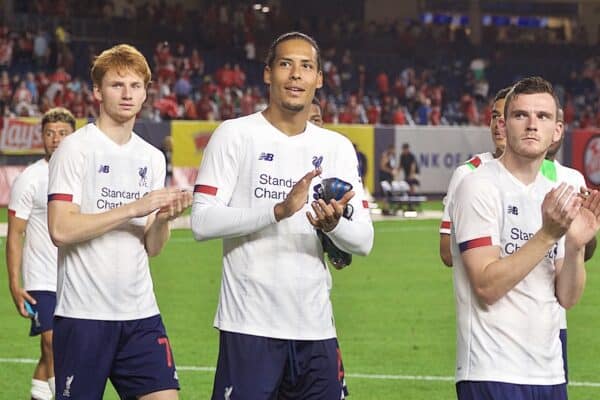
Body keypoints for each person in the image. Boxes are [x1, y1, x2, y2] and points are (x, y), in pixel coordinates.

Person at [191, 32, 374, 400]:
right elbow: (201, 222)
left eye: (306, 66)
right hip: (249, 327)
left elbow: (364, 241)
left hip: (316, 329)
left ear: (319, 79)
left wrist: (335, 225)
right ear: (268, 73)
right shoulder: (235, 135)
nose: (296, 75)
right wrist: (278, 211)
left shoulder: (336, 147)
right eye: (286, 64)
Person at [47, 44, 192, 400]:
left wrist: (161, 220)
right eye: (116, 85)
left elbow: (153, 248)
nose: (127, 93)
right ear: (97, 91)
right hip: (84, 315)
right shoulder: (75, 149)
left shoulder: (152, 157)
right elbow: (60, 229)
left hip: (141, 313)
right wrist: (133, 208)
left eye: (135, 85)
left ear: (145, 92)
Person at [451, 76, 600, 400]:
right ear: (504, 125)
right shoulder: (477, 186)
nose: (532, 124)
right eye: (521, 115)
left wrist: (574, 246)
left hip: (549, 373)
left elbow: (568, 298)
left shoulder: (558, 193)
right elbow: (486, 286)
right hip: (491, 371)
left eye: (543, 117)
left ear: (557, 131)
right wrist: (548, 234)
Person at [6, 107, 75, 400]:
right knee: (52, 344)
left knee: (52, 353)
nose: (56, 139)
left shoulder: (82, 174)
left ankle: (38, 395)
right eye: (49, 133)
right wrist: (14, 284)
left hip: (75, 278)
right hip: (41, 280)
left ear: (74, 136)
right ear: (42, 138)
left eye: (62, 133)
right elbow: (15, 234)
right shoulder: (30, 178)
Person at [543, 108, 597, 383]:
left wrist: (586, 232)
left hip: (554, 318)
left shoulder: (573, 178)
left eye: (547, 118)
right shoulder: (493, 179)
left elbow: (585, 251)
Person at [439, 87, 511, 267]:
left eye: (508, 116)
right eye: (495, 116)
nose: (498, 123)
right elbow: (447, 253)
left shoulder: (539, 178)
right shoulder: (468, 173)